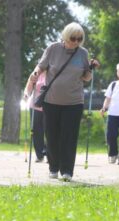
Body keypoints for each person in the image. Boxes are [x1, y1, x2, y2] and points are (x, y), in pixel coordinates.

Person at [29, 22, 99, 182]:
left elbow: (86, 78)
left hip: (74, 102)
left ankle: (67, 170)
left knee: (69, 136)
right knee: (52, 135)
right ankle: (53, 168)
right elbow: (41, 66)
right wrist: (34, 74)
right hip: (51, 100)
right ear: (66, 37)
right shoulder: (53, 48)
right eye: (73, 38)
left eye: (79, 39)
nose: (76, 42)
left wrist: (91, 69)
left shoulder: (82, 53)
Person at [24, 71, 47, 162]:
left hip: (49, 106)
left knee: (49, 131)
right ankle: (40, 154)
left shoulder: (53, 73)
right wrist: (26, 93)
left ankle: (50, 154)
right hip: (35, 105)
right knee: (36, 131)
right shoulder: (36, 73)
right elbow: (29, 86)